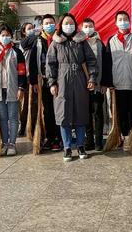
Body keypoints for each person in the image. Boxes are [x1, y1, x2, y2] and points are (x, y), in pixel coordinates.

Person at [46, 13, 97, 162]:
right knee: (63, 115)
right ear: (60, 25)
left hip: (80, 79)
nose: (69, 26)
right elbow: (50, 64)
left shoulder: (81, 42)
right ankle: (67, 147)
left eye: (71, 23)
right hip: (62, 81)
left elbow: (91, 61)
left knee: (80, 113)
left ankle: (81, 145)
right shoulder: (56, 43)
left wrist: (92, 78)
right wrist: (52, 83)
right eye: (66, 23)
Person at [102, 11, 132, 143]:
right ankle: (123, 135)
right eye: (120, 19)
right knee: (120, 113)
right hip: (118, 84)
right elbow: (107, 63)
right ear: (116, 23)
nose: (123, 22)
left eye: (125, 19)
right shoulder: (111, 40)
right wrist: (109, 82)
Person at [26, 14, 62, 151]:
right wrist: (34, 81)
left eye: (51, 23)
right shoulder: (38, 41)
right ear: (42, 26)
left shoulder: (60, 39)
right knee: (48, 110)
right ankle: (51, 137)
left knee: (59, 109)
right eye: (46, 23)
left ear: (55, 24)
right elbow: (33, 62)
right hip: (44, 80)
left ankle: (61, 137)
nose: (49, 25)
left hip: (59, 80)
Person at [0, 23, 27, 156]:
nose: (5, 37)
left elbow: (22, 72)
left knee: (13, 117)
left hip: (13, 89)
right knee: (2, 117)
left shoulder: (17, 52)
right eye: (3, 35)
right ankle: (4, 142)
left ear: (11, 36)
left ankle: (12, 143)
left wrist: (21, 88)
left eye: (7, 35)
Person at [82, 18, 106, 151]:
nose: (88, 28)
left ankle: (98, 141)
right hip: (82, 86)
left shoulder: (99, 43)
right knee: (86, 114)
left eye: (90, 26)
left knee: (97, 113)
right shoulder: (78, 43)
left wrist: (103, 83)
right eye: (86, 26)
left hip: (97, 85)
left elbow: (105, 64)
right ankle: (89, 140)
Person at [17, 22, 35, 136]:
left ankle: (33, 126)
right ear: (24, 32)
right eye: (29, 29)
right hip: (26, 77)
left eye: (32, 28)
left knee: (34, 104)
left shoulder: (34, 41)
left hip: (35, 76)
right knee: (25, 105)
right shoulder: (24, 42)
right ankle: (23, 127)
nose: (32, 30)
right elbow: (34, 38)